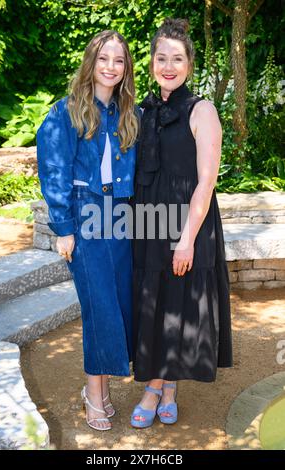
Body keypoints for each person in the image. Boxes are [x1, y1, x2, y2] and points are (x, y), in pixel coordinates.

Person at [131, 18, 233, 428]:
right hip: (148, 223)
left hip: (187, 223)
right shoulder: (141, 111)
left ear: (189, 63)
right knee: (153, 303)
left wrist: (186, 238)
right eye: (161, 58)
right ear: (152, 62)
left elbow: (206, 179)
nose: (168, 65)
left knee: (177, 306)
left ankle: (157, 387)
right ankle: (164, 384)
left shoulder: (201, 110)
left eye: (177, 58)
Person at [37, 30, 139, 431]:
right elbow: (54, 170)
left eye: (119, 60)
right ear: (91, 62)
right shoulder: (66, 111)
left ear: (125, 67)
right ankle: (94, 395)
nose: (111, 67)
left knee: (119, 305)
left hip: (123, 216)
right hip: (85, 215)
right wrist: (63, 227)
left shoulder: (130, 113)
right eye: (104, 59)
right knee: (98, 308)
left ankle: (102, 389)